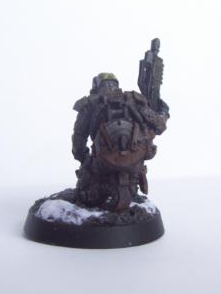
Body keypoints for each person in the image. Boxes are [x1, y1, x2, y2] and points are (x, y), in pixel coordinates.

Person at [71, 72, 169, 211]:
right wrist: (163, 111)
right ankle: (131, 185)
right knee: (132, 189)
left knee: (85, 195)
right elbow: (160, 126)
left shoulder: (89, 104)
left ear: (96, 87)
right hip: (134, 162)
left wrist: (84, 159)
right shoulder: (134, 100)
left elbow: (78, 140)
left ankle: (105, 188)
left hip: (102, 163)